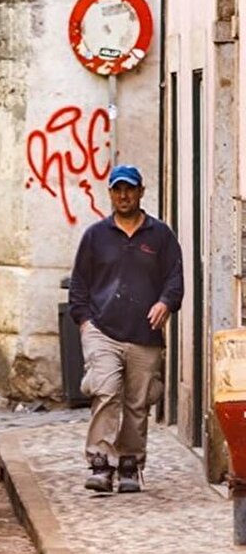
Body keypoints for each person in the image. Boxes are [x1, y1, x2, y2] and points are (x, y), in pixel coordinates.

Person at [67, 163, 183, 494]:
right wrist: (86, 323)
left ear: (141, 192)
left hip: (145, 335)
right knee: (105, 390)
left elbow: (175, 278)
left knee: (138, 401)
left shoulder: (160, 235)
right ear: (111, 194)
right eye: (118, 189)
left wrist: (165, 303)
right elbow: (79, 285)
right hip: (103, 330)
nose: (124, 195)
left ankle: (130, 463)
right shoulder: (95, 236)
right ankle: (101, 464)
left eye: (130, 189)